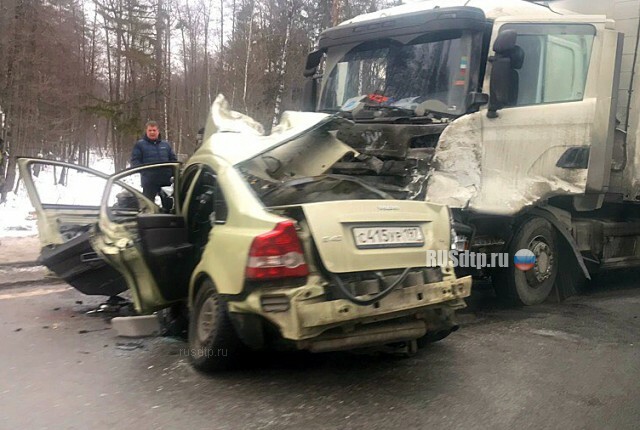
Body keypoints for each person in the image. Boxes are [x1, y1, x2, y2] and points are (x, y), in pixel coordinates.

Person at [130, 120, 177, 204]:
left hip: (165, 182)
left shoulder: (166, 145)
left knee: (169, 207)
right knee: (148, 207)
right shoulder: (140, 145)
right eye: (150, 130)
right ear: (146, 131)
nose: (152, 132)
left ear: (158, 131)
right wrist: (145, 173)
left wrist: (173, 173)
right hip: (149, 182)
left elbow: (173, 160)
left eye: (154, 130)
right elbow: (135, 161)